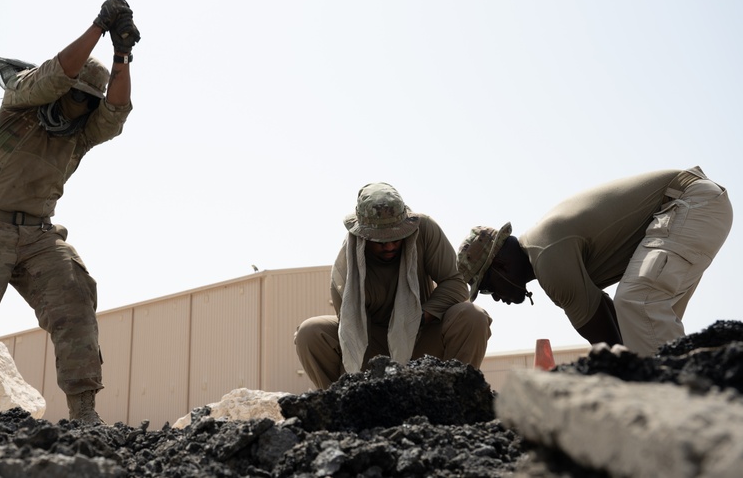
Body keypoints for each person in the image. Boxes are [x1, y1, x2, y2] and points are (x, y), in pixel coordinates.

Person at [0, 0, 140, 425]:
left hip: (39, 234)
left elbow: (116, 111)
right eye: (77, 97)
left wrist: (122, 54)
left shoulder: (80, 133)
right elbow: (57, 72)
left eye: (88, 102)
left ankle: (84, 414)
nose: (82, 108)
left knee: (75, 300)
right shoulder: (21, 100)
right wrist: (99, 26)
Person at [457, 166, 732, 356]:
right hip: (696, 206)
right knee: (647, 333)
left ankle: (671, 409)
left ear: (501, 266)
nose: (496, 298)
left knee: (638, 302)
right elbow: (619, 337)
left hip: (690, 202)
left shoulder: (548, 261)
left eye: (488, 288)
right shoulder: (543, 251)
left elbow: (610, 347)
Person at [294, 182, 492, 389]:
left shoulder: (425, 229)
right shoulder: (348, 261)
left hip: (422, 334)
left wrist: (418, 317)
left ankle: (456, 396)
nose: (389, 246)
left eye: (396, 238)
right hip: (371, 345)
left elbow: (456, 282)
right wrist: (361, 384)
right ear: (363, 235)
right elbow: (351, 330)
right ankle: (338, 402)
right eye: (380, 241)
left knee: (472, 316)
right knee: (311, 332)